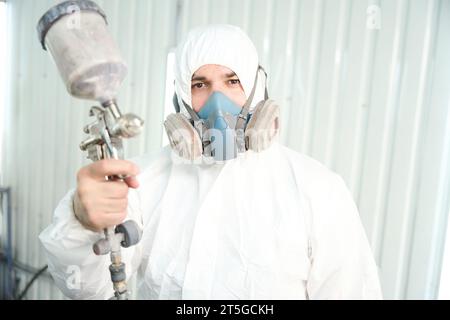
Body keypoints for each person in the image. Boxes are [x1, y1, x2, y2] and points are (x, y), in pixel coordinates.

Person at [39, 24, 383, 299]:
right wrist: (82, 223)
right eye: (200, 84)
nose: (218, 103)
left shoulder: (317, 189)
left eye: (232, 82)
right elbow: (88, 290)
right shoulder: (141, 182)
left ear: (257, 89)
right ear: (181, 97)